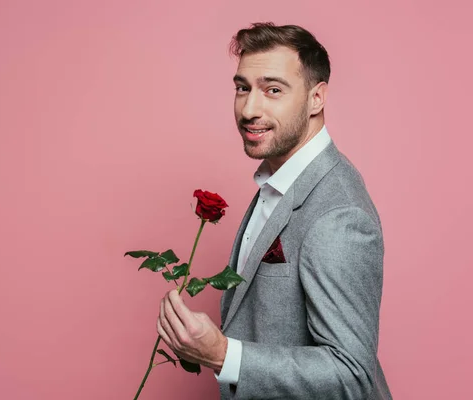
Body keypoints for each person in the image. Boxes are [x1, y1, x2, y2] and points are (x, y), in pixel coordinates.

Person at [156, 22, 392, 399]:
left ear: (317, 98)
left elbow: (351, 376)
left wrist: (223, 354)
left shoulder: (339, 216)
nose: (250, 108)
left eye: (273, 90)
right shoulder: (280, 178)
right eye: (242, 88)